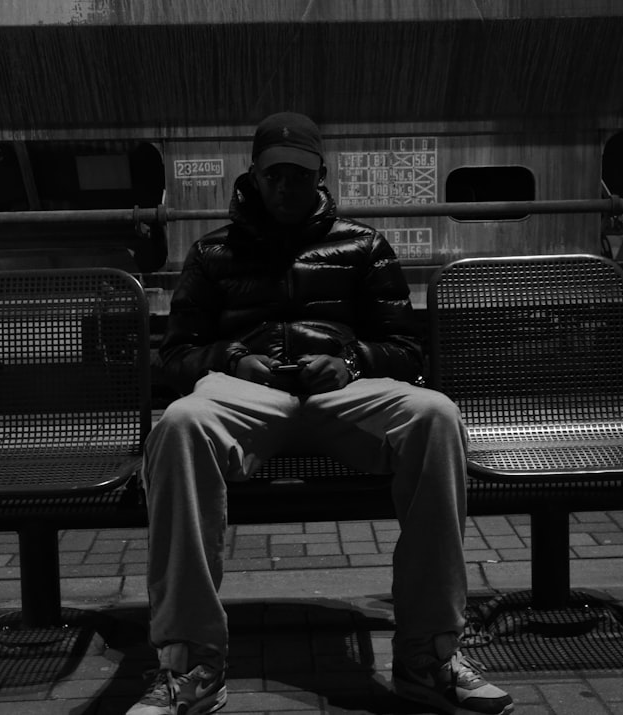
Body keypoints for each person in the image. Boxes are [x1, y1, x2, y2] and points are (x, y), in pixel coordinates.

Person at [127, 112, 514, 715]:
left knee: (435, 413)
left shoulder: (362, 245)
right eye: (275, 174)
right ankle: (189, 662)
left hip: (341, 395)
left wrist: (353, 360)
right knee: (178, 424)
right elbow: (174, 353)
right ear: (252, 177)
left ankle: (428, 654)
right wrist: (232, 358)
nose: (287, 186)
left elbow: (407, 349)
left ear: (321, 177)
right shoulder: (212, 254)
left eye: (300, 175)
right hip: (249, 395)